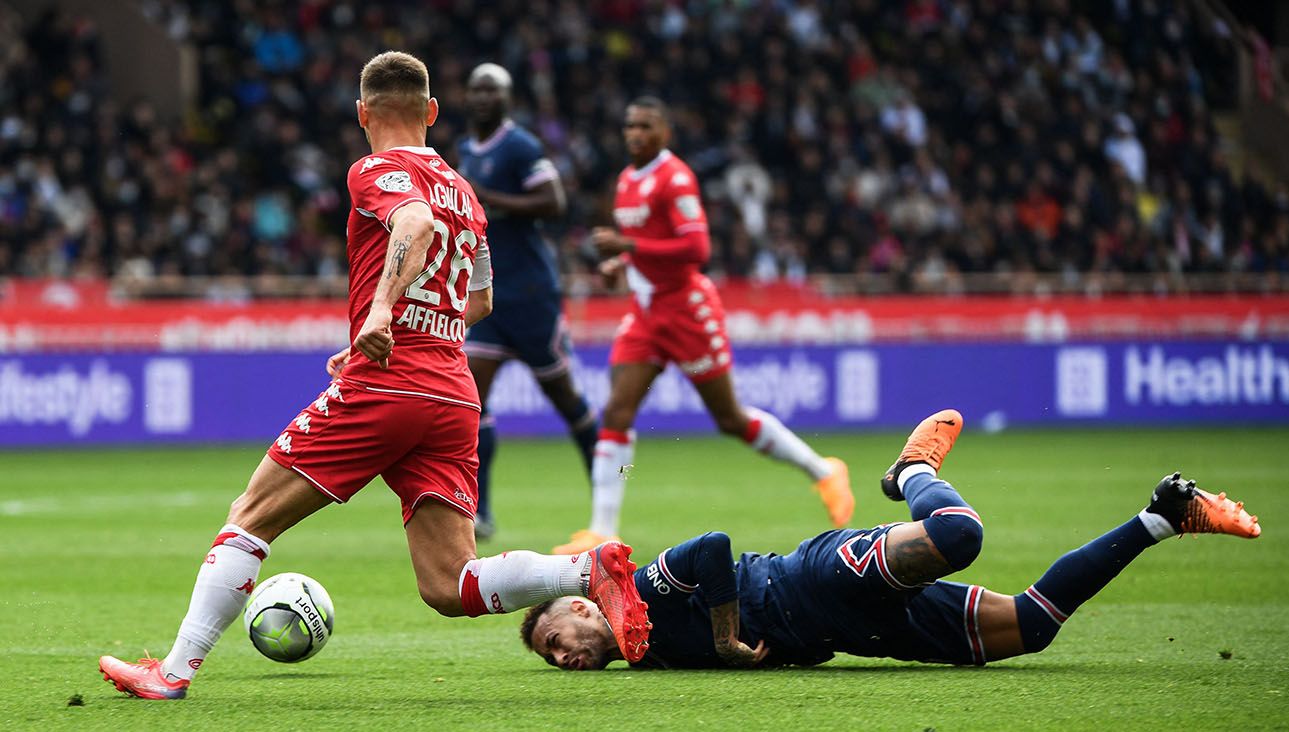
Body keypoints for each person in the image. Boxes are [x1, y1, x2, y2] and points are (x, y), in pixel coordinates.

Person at [98, 51, 650, 700]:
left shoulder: (374, 169)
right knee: (449, 583)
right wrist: (406, 326)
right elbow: (481, 300)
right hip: (452, 392)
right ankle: (590, 570)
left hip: (387, 385)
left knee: (249, 516)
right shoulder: (467, 193)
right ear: (434, 113)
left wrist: (384, 313)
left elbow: (411, 222)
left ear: (363, 114)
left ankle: (173, 672)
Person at [522, 409, 1261, 670]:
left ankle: (910, 467)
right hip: (853, 630)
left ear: (586, 610)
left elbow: (712, 547)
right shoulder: (640, 658)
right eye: (553, 660)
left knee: (959, 534)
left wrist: (721, 639)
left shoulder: (641, 594)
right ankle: (1165, 515)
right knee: (1031, 627)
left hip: (815, 581)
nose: (561, 657)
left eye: (555, 638)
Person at [553, 97, 853, 554]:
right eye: (630, 125)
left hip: (688, 310)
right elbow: (650, 245)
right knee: (617, 411)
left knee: (730, 418)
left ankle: (824, 471)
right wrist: (621, 263)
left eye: (646, 126)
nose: (635, 133)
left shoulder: (675, 178)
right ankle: (602, 529)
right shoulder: (625, 181)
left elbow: (696, 248)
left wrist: (627, 244)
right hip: (647, 310)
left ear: (665, 133)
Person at [456, 63, 598, 541]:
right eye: (476, 90)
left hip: (533, 296)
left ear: (507, 98)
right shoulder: (464, 151)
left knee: (567, 403)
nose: (482, 98)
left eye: (491, 90)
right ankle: (482, 511)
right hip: (488, 298)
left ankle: (606, 504)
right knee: (472, 402)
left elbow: (554, 201)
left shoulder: (520, 146)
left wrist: (489, 197)